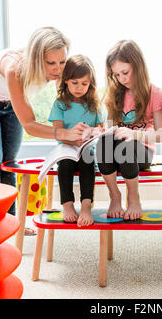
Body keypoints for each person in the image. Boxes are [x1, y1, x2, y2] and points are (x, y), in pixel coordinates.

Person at [0, 27, 90, 231]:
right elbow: (30, 125)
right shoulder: (15, 68)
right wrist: (64, 134)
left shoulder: (58, 69)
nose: (58, 69)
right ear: (36, 59)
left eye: (62, 61)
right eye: (51, 63)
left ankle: (12, 224)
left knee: (8, 163)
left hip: (10, 102)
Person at [96, 40, 162, 220]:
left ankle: (133, 197)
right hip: (118, 151)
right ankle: (115, 196)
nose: (122, 79)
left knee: (125, 145)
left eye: (125, 72)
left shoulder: (154, 93)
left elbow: (160, 135)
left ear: (138, 65)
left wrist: (134, 134)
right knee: (104, 142)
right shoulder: (115, 94)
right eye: (117, 75)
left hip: (142, 151)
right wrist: (103, 131)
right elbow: (111, 128)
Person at [49, 55, 104, 227]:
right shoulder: (60, 104)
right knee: (64, 166)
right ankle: (68, 205)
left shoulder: (94, 105)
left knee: (87, 165)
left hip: (86, 149)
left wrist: (90, 133)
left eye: (84, 84)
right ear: (66, 81)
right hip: (66, 149)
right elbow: (57, 132)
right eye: (75, 83)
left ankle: (86, 206)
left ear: (90, 84)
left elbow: (101, 130)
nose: (79, 88)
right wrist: (73, 140)